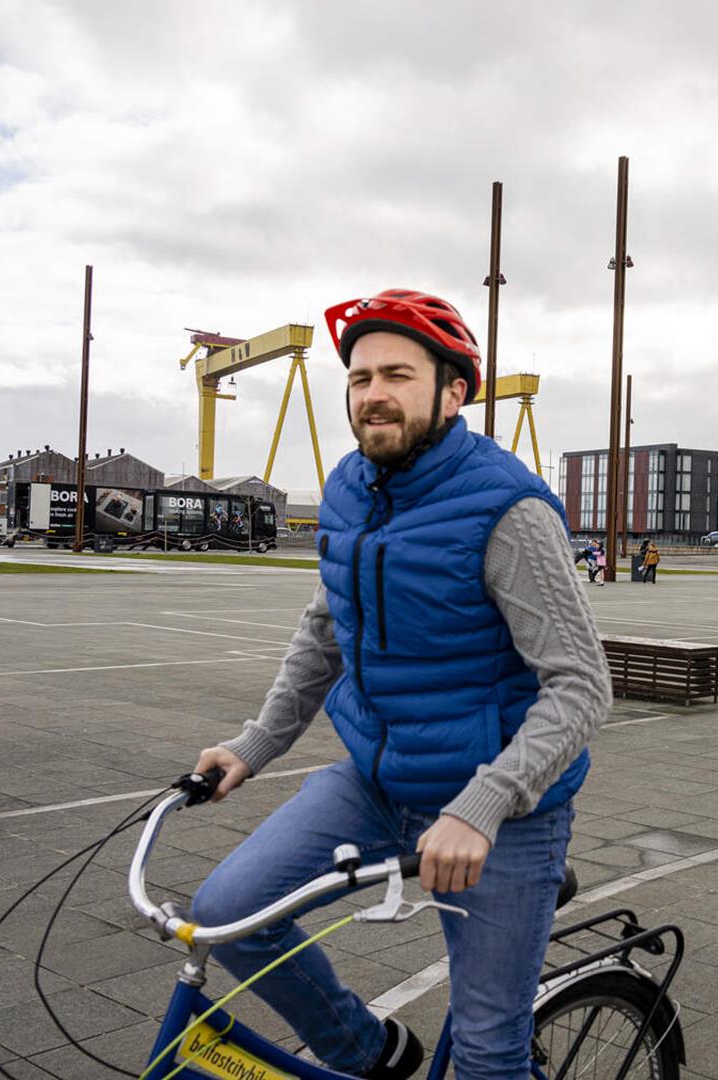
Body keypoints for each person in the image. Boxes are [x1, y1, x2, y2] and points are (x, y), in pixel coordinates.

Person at [188, 288, 609, 1080]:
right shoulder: (350, 486)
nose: (373, 393)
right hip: (378, 781)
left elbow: (582, 688)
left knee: (488, 1055)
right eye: (359, 377)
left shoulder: (506, 509)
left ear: (453, 392)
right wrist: (256, 743)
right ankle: (371, 1052)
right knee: (226, 914)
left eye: (398, 375)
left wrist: (483, 807)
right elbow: (325, 632)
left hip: (503, 810)